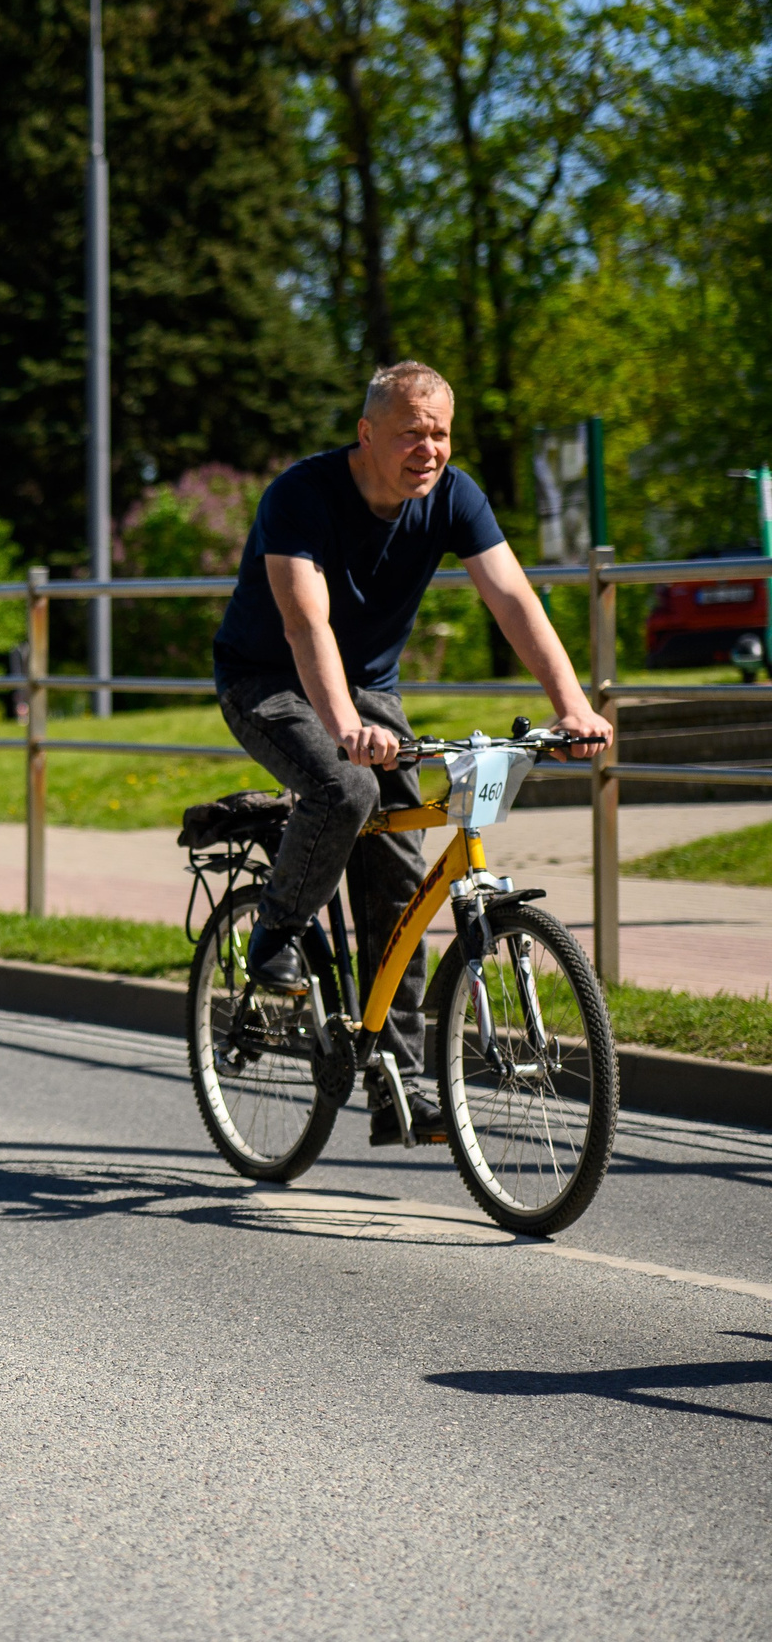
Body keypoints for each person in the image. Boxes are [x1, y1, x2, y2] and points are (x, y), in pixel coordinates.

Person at [213, 360, 612, 1145]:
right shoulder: (300, 496)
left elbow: (512, 597)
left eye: (440, 433)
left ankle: (394, 1081)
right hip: (267, 680)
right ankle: (277, 933)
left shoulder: (455, 497)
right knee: (346, 791)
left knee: (401, 874)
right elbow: (305, 624)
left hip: (368, 691)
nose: (428, 449)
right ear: (366, 434)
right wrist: (343, 727)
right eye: (410, 433)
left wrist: (571, 703)